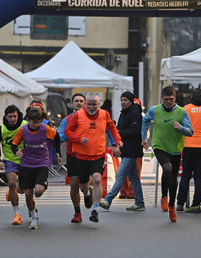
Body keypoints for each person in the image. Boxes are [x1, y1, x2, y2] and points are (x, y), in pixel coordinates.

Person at [65, 93, 122, 223]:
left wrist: (117, 141)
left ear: (98, 104)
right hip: (81, 156)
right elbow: (68, 132)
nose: (91, 107)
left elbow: (112, 128)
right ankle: (87, 193)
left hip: (98, 154)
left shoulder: (104, 114)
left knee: (97, 179)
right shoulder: (78, 115)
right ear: (86, 104)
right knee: (82, 185)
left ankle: (95, 210)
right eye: (89, 104)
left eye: (94, 104)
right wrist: (79, 139)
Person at [142, 86, 193, 223]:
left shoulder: (182, 112)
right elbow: (145, 120)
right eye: (165, 99)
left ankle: (172, 207)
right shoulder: (155, 110)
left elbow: (190, 132)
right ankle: (164, 197)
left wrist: (180, 128)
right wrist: (144, 137)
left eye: (171, 99)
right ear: (162, 99)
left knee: (173, 180)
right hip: (159, 145)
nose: (168, 102)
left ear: (175, 98)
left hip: (175, 149)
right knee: (167, 168)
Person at [11, 108, 59, 230]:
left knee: (38, 191)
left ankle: (38, 186)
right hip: (26, 164)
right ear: (28, 120)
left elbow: (56, 136)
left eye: (39, 122)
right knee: (27, 193)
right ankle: (34, 217)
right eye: (34, 122)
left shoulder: (45, 129)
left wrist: (58, 152)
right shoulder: (23, 130)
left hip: (42, 163)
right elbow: (14, 144)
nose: (37, 124)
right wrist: (16, 151)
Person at [99, 91, 145, 211]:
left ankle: (108, 200)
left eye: (125, 100)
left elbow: (136, 131)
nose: (123, 102)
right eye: (122, 100)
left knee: (119, 175)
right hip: (127, 149)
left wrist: (119, 132)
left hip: (132, 150)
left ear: (131, 101)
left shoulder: (135, 114)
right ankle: (139, 203)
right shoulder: (124, 112)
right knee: (134, 178)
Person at [58, 93, 93, 223]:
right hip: (73, 155)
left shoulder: (92, 118)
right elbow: (59, 136)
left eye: (81, 101)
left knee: (84, 185)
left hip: (88, 154)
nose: (78, 103)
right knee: (74, 185)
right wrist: (73, 135)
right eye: (76, 101)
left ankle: (87, 191)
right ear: (72, 104)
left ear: (85, 104)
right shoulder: (67, 120)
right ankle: (77, 212)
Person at [0, 105, 27, 226]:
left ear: (18, 115)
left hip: (25, 161)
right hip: (10, 161)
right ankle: (17, 214)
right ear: (6, 117)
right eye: (10, 117)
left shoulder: (25, 126)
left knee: (23, 189)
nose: (13, 119)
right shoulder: (1, 130)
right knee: (11, 183)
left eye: (15, 116)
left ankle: (13, 191)